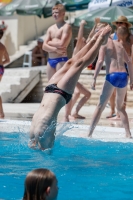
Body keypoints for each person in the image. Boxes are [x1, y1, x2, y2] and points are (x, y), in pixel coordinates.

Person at [29, 25, 112, 150]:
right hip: (47, 111)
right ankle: (99, 39)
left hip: (37, 122)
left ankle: (97, 39)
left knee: (73, 63)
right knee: (76, 63)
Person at [88, 25, 133, 138]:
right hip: (123, 76)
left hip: (112, 76)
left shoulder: (103, 45)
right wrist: (131, 80)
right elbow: (129, 62)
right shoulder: (119, 44)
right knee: (120, 107)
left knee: (100, 106)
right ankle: (128, 134)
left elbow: (99, 61)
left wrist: (94, 78)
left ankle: (89, 133)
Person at [107, 16, 133, 118]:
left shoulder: (130, 37)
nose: (119, 25)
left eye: (121, 23)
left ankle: (121, 111)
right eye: (117, 23)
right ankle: (112, 110)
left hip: (126, 64)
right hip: (114, 64)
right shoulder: (113, 36)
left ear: (126, 25)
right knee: (112, 90)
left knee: (122, 90)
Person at [42, 4, 72, 80]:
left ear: (63, 13)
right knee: (50, 86)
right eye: (53, 13)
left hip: (61, 59)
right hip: (50, 60)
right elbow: (43, 46)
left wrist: (49, 42)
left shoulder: (66, 27)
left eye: (56, 12)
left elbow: (62, 44)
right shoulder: (50, 28)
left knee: (60, 86)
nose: (54, 15)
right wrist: (55, 49)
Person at [0, 29, 10, 118]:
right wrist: (1, 63)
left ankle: (1, 113)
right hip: (1, 69)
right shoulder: (2, 46)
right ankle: (1, 113)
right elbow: (8, 59)